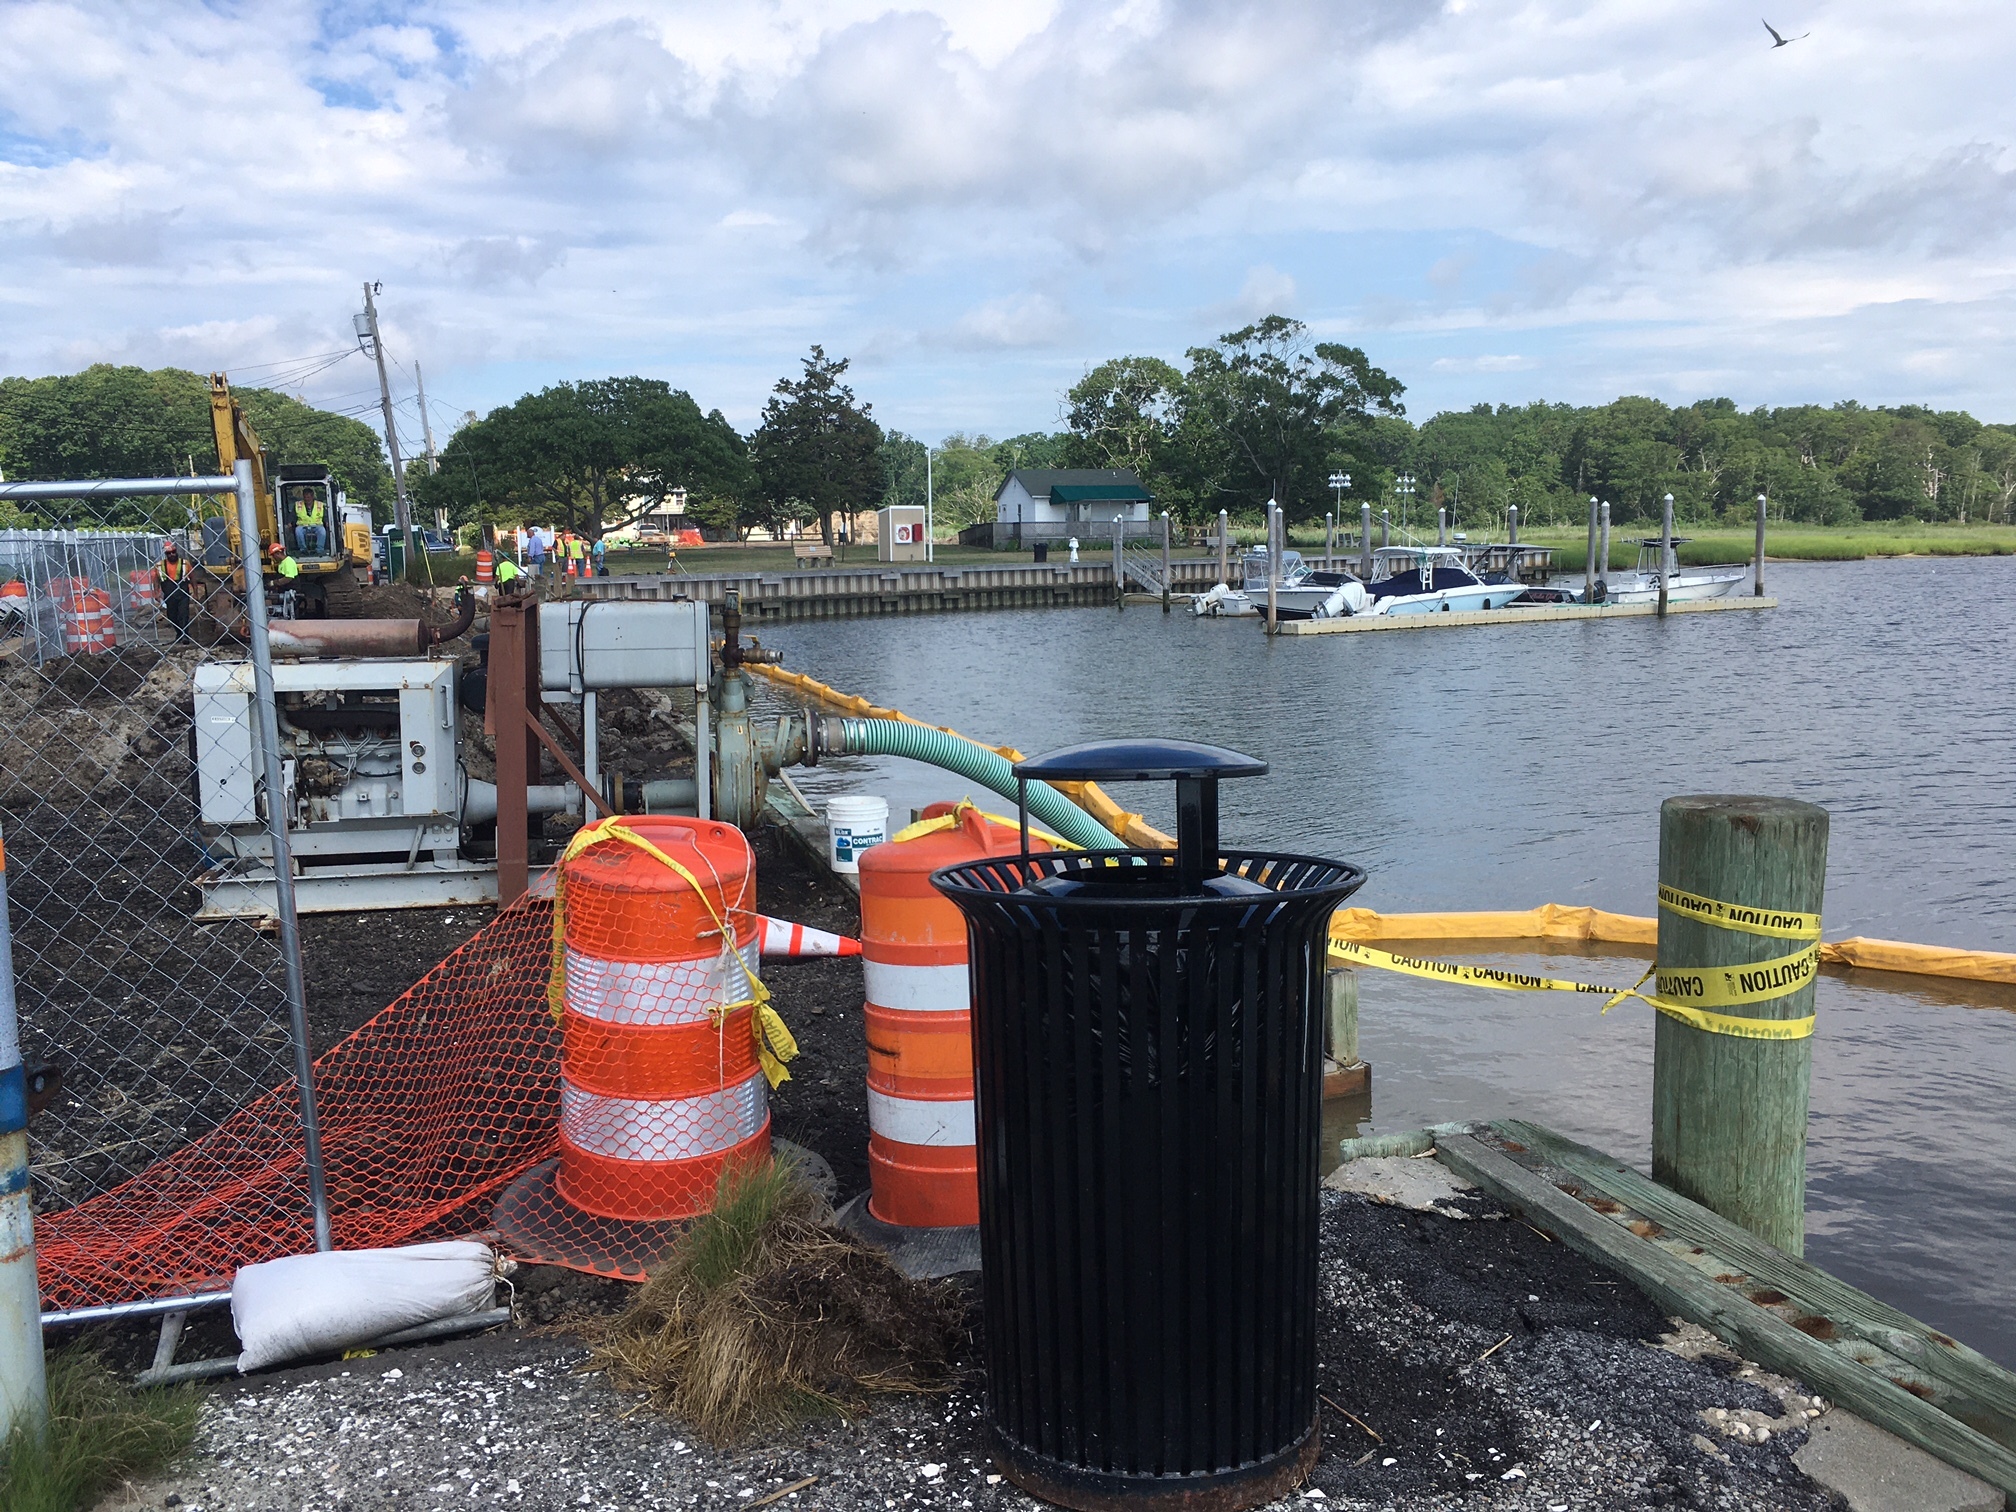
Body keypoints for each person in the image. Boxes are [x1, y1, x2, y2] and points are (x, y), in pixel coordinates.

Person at [158, 541, 192, 642]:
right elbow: (156, 579)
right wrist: (156, 592)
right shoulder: (160, 566)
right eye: (169, 553)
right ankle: (179, 633)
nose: (172, 554)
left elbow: (192, 577)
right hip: (169, 594)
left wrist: (195, 590)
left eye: (173, 552)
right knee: (172, 615)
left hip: (183, 593)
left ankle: (185, 635)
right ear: (166, 554)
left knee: (183, 614)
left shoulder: (185, 563)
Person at [294, 489, 327, 556]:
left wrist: (326, 521)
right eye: (305, 497)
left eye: (308, 497)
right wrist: (289, 522)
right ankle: (303, 550)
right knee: (298, 531)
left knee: (322, 531)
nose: (306, 499)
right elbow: (292, 515)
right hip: (302, 526)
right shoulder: (298, 505)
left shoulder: (320, 505)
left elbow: (325, 515)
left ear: (312, 497)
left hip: (317, 526)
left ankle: (319, 551)